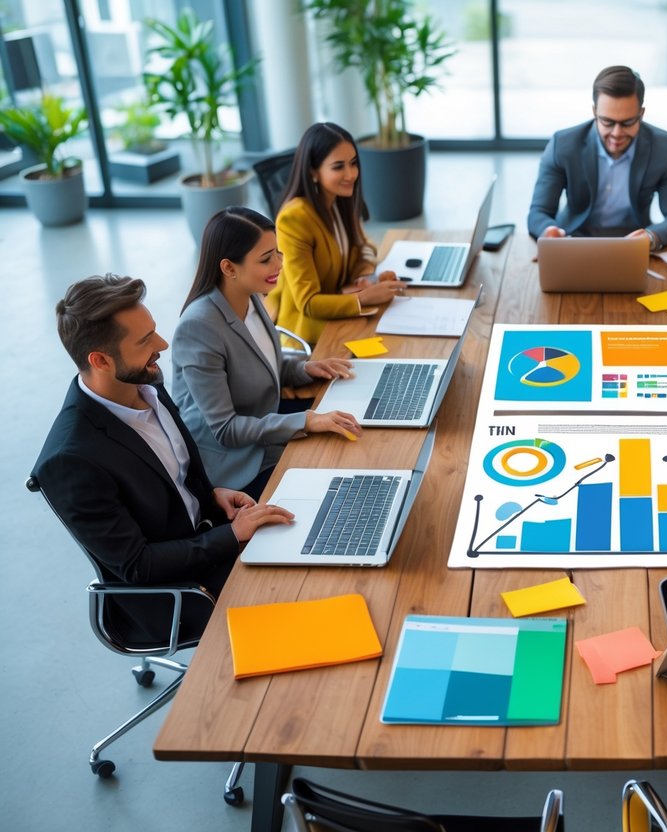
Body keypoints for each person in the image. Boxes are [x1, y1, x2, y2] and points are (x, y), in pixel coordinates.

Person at [32, 275, 294, 642]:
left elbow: (170, 471)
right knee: (302, 597)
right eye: (144, 341)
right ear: (101, 360)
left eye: (153, 331)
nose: (162, 344)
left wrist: (211, 494)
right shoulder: (71, 460)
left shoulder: (144, 382)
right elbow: (138, 566)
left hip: (208, 537)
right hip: (178, 595)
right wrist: (231, 536)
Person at [173, 207, 364, 499]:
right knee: (336, 471)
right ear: (229, 268)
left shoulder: (251, 296)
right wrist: (306, 420)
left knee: (353, 430)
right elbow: (226, 429)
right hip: (235, 464)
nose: (278, 265)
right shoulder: (199, 327)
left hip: (264, 423)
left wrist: (304, 368)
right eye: (266, 259)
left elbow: (258, 362)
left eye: (278, 253)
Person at [268, 122, 406, 346]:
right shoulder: (294, 219)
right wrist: (363, 298)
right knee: (391, 348)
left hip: (344, 316)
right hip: (313, 337)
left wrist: (366, 278)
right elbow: (308, 303)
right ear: (313, 172)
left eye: (353, 164)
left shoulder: (340, 201)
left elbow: (365, 248)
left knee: (401, 339)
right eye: (338, 167)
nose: (350, 174)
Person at [527, 65, 667, 251]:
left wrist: (651, 236)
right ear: (594, 112)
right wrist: (549, 231)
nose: (617, 133)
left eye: (628, 122)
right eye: (607, 122)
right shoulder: (563, 145)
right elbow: (538, 212)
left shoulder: (666, 148)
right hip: (573, 239)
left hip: (634, 243)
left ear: (641, 114)